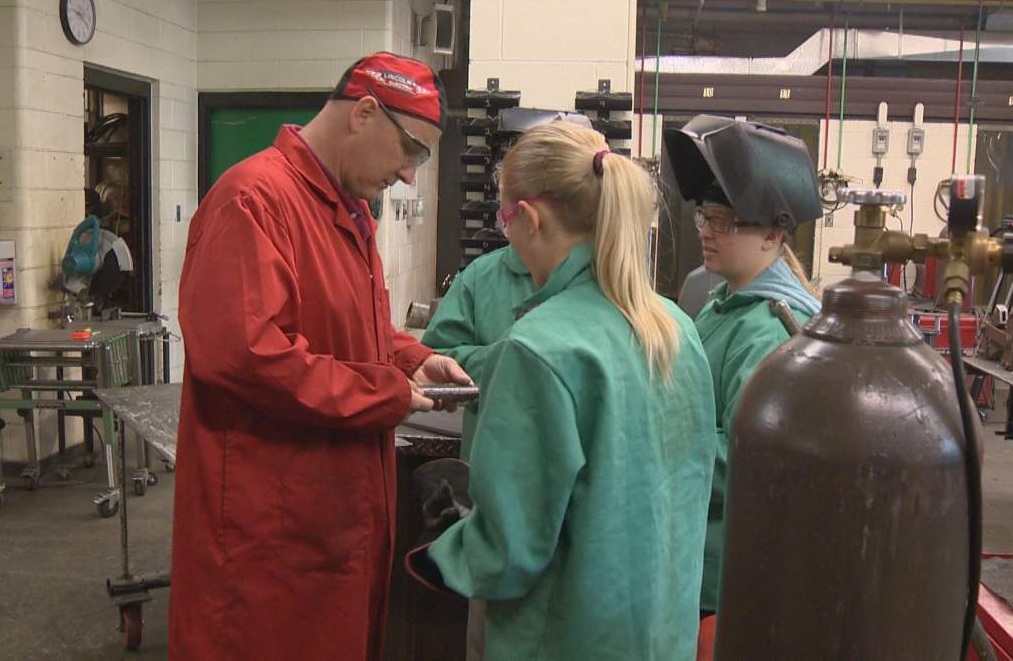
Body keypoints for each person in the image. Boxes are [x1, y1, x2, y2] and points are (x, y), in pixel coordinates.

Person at [170, 52, 472, 660]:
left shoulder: (347, 210)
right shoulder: (253, 201)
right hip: (271, 538)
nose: (412, 175)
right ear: (365, 112)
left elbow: (345, 326)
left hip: (332, 524)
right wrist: (382, 393)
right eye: (412, 150)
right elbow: (248, 356)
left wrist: (410, 356)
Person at [407, 121, 718, 660]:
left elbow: (508, 552)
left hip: (564, 636)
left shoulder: (538, 349)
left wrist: (446, 549)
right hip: (660, 633)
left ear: (528, 217)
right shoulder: (674, 329)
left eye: (506, 221)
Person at [662, 115, 824, 628]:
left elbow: (744, 459)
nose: (707, 232)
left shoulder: (769, 330)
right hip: (700, 549)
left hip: (723, 567)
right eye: (704, 218)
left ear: (773, 234)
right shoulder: (725, 301)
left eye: (724, 223)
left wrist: (647, 447)